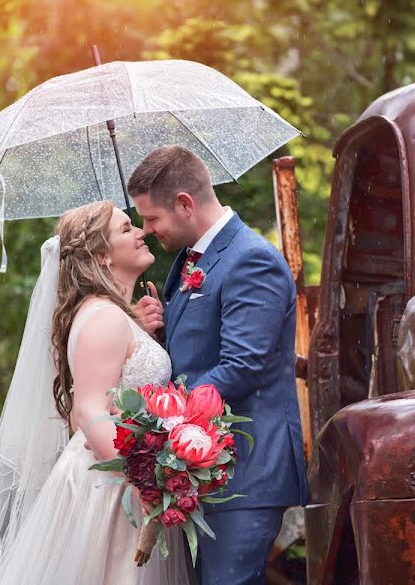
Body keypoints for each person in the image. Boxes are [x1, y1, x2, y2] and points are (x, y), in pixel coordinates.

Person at [0, 200, 192, 585]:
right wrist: (142, 485)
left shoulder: (112, 313)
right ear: (103, 255)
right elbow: (88, 411)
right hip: (113, 487)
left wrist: (143, 332)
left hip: (124, 477)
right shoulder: (104, 316)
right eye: (126, 228)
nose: (141, 231)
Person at [129, 145, 310, 585]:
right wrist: (159, 331)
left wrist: (164, 419)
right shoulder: (191, 260)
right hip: (205, 470)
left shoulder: (251, 259)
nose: (148, 230)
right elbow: (197, 352)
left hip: (246, 469)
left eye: (152, 218)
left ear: (185, 204)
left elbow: (243, 365)